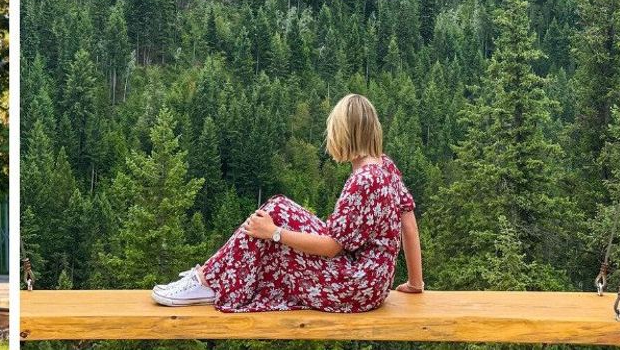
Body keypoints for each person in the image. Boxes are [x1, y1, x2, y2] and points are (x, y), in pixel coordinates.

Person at [152, 93, 423, 312]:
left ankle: (206, 282)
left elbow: (332, 248)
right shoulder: (385, 166)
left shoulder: (363, 180)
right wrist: (415, 282)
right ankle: (208, 278)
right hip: (373, 284)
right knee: (278, 206)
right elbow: (408, 224)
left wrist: (275, 234)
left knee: (270, 225)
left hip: (354, 287)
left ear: (344, 133)